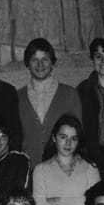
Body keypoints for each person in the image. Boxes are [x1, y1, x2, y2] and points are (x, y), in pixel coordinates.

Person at [17, 38, 82, 167]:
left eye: (45, 59)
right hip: (26, 170)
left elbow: (79, 136)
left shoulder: (70, 94)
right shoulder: (18, 97)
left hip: (62, 170)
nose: (40, 65)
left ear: (52, 62)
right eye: (34, 60)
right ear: (27, 64)